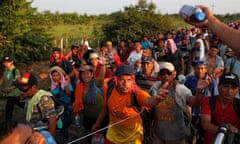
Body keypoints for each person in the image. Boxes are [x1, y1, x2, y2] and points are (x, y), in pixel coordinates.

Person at [91, 64, 183, 144]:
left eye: (129, 80)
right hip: (112, 137)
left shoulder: (137, 94)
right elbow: (105, 107)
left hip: (133, 139)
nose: (125, 84)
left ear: (133, 81)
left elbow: (150, 101)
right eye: (122, 80)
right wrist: (97, 123)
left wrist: (157, 99)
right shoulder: (110, 90)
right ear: (116, 81)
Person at [149, 62, 211, 144]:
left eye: (169, 73)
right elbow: (150, 107)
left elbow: (194, 103)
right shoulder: (155, 87)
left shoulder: (180, 89)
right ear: (159, 75)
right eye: (163, 73)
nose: (166, 76)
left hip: (176, 136)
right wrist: (150, 125)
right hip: (158, 134)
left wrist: (199, 91)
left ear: (174, 74)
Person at [73, 55, 106, 143]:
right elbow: (79, 105)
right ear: (80, 76)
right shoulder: (79, 87)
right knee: (90, 139)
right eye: (83, 73)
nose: (85, 75)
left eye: (88, 73)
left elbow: (101, 78)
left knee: (104, 139)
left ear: (92, 75)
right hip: (88, 120)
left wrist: (102, 66)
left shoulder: (97, 83)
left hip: (103, 118)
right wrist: (79, 120)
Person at [200, 72, 240, 144]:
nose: (229, 91)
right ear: (218, 86)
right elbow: (206, 124)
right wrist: (226, 129)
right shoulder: (208, 101)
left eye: (233, 88)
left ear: (238, 90)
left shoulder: (239, 105)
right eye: (225, 86)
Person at [49, 66, 74, 142]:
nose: (56, 77)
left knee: (65, 122)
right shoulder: (52, 86)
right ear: (51, 77)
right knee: (63, 123)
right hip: (60, 108)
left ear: (61, 75)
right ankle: (65, 134)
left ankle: (67, 137)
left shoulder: (66, 83)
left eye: (57, 75)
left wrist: (66, 86)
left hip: (68, 106)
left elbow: (69, 94)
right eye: (54, 75)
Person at [0, 55, 25, 120]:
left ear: (12, 62)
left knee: (9, 109)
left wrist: (11, 88)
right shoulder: (6, 70)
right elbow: (2, 79)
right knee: (20, 104)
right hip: (10, 93)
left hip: (15, 93)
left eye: (8, 62)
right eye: (5, 62)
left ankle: (8, 124)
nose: (6, 63)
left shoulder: (15, 71)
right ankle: (31, 108)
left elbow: (19, 81)